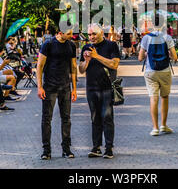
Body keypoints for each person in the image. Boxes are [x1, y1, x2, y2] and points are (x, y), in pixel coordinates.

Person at [79, 23, 120, 159]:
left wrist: (96, 56)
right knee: (95, 118)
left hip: (107, 88)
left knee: (107, 117)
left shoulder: (111, 46)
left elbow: (114, 64)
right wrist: (86, 61)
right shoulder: (85, 47)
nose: (91, 37)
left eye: (94, 34)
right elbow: (81, 69)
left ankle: (109, 148)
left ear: (101, 33)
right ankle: (96, 147)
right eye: (89, 34)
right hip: (91, 88)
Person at [36, 29, 77, 160]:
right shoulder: (48, 44)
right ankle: (46, 150)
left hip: (65, 87)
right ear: (60, 32)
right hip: (50, 87)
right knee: (47, 119)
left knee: (66, 119)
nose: (72, 36)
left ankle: (66, 149)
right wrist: (40, 87)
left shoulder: (71, 45)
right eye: (69, 33)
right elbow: (40, 66)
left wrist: (74, 88)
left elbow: (73, 67)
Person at [138, 23, 178, 136]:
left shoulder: (146, 38)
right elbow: (175, 57)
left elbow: (140, 58)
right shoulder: (167, 37)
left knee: (153, 98)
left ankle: (155, 128)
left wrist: (147, 54)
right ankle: (163, 125)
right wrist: (168, 54)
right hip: (165, 71)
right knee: (164, 97)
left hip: (151, 72)